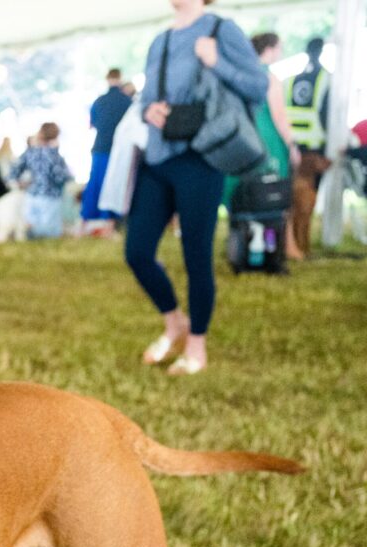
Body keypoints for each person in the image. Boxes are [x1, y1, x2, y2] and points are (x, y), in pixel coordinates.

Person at [127, 0, 265, 375]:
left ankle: (196, 346)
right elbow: (146, 96)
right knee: (137, 251)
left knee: (196, 255)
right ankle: (175, 323)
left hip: (201, 157)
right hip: (158, 156)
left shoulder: (222, 30)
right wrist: (147, 110)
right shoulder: (160, 40)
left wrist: (216, 61)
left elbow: (258, 85)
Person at [223, 33, 303, 259]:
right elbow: (279, 116)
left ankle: (240, 244)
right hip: (267, 144)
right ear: (270, 49)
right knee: (275, 196)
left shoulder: (239, 74)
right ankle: (281, 246)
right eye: (280, 48)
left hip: (240, 144)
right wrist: (292, 144)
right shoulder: (269, 77)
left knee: (240, 197)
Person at [81, 68, 133, 224]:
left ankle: (91, 217)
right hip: (119, 150)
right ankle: (113, 218)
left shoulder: (99, 101)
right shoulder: (128, 102)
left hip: (101, 148)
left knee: (97, 182)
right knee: (117, 183)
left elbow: (92, 124)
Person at [12, 123, 72, 239]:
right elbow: (62, 176)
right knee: (49, 232)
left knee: (31, 226)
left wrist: (21, 183)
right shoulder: (55, 155)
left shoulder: (30, 152)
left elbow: (14, 170)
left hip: (32, 194)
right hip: (51, 197)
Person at [285, 37, 330, 157]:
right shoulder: (327, 78)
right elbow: (327, 113)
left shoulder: (292, 79)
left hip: (292, 141)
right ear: (321, 51)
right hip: (315, 144)